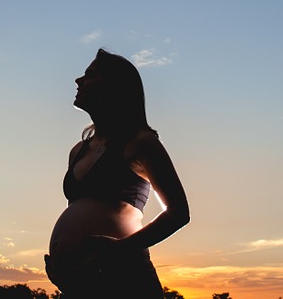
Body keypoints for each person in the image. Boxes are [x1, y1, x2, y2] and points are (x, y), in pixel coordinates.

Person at [46, 49, 190, 298]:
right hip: (81, 284)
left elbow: (179, 213)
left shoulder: (140, 142)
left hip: (126, 276)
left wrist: (120, 250)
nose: (78, 80)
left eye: (89, 75)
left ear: (113, 87)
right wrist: (65, 268)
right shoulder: (78, 151)